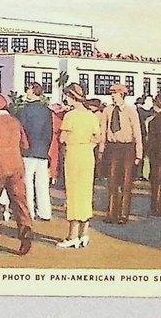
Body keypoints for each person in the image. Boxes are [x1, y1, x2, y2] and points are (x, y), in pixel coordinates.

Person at [0, 93, 33, 256]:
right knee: (20, 201)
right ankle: (26, 232)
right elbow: (25, 144)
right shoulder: (15, 121)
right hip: (16, 165)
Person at [57, 83, 101, 248]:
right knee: (86, 192)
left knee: (74, 194)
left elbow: (62, 138)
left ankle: (72, 235)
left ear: (72, 96)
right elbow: (97, 138)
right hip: (87, 155)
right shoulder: (91, 116)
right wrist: (88, 144)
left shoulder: (71, 116)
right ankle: (84, 233)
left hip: (74, 154)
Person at [99, 84, 142, 224]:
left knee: (126, 182)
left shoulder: (131, 111)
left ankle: (124, 215)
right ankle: (111, 213)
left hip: (127, 148)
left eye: (115, 93)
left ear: (122, 95)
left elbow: (137, 133)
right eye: (112, 93)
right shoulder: (107, 110)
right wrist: (101, 149)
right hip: (112, 148)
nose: (113, 96)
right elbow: (103, 131)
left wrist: (138, 154)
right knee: (112, 182)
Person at [16, 83, 54, 221]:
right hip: (42, 151)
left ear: (33, 92)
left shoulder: (24, 111)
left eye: (28, 89)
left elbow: (21, 132)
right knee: (42, 184)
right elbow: (49, 133)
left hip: (28, 151)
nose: (26, 91)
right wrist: (46, 148)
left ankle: (30, 212)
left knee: (27, 183)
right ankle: (45, 212)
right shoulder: (47, 111)